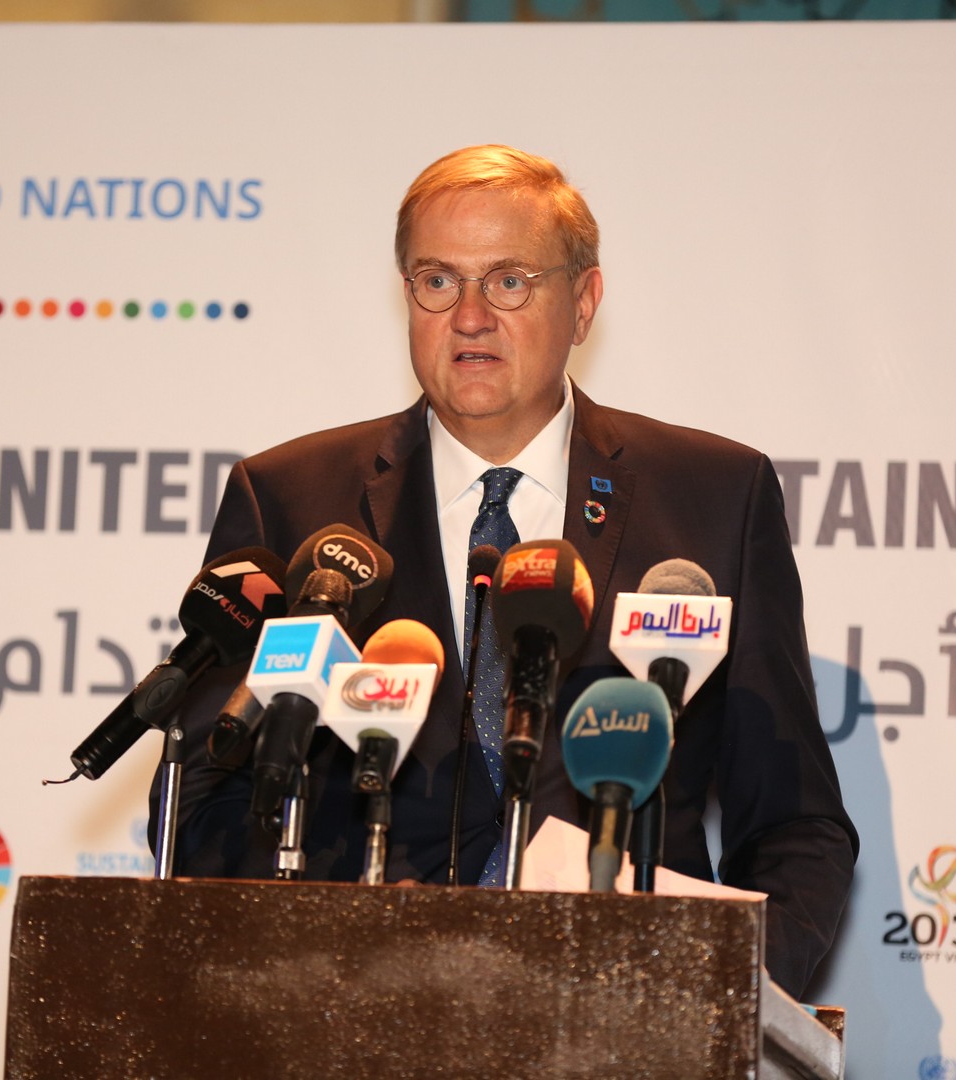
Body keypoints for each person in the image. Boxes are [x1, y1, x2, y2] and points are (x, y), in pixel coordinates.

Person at [150, 144, 857, 999]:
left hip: (622, 1020)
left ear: (584, 303)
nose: (471, 316)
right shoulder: (293, 500)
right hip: (353, 1014)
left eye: (510, 281)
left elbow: (794, 823)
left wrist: (719, 1002)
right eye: (437, 281)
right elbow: (202, 804)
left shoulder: (713, 497)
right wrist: (319, 955)